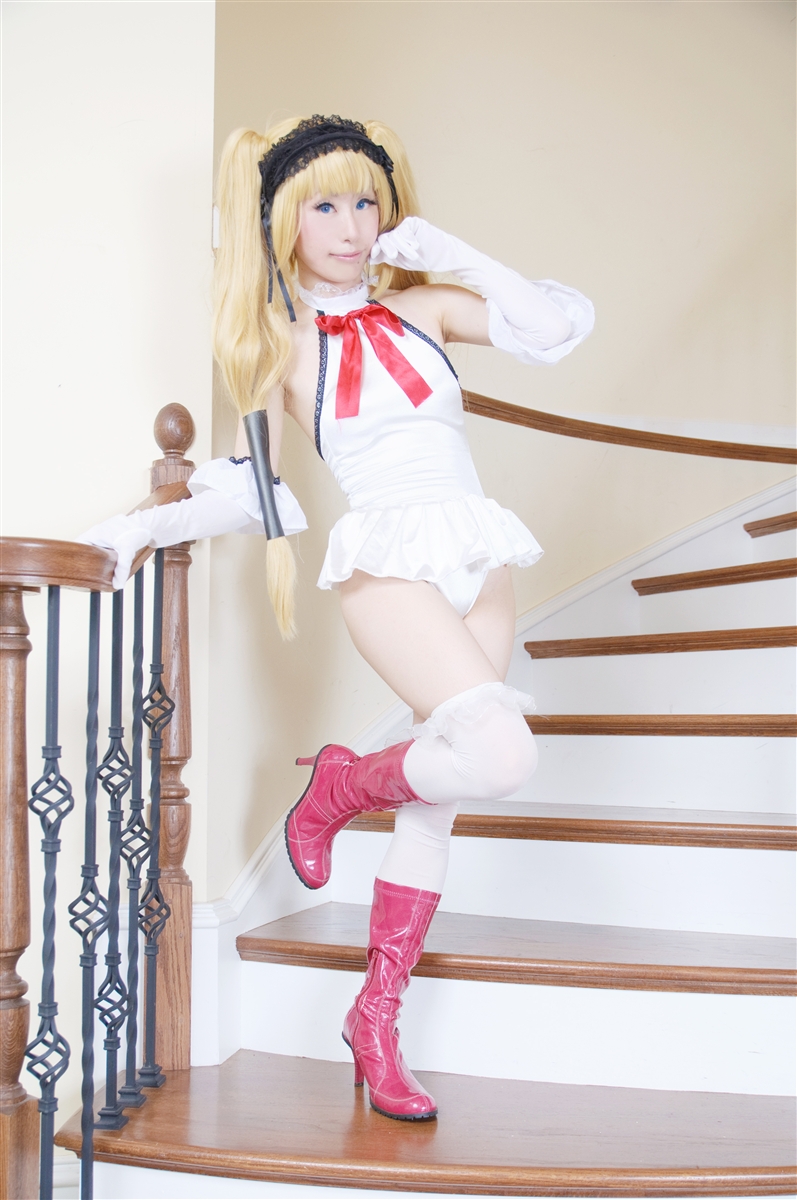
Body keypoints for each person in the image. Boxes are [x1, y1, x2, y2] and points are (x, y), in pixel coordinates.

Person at [81, 115, 593, 1122]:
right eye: (325, 205)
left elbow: (549, 328)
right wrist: (141, 528)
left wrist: (446, 248)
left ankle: (375, 1019)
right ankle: (340, 786)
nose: (352, 226)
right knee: (500, 756)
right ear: (284, 220)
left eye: (366, 201)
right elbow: (258, 494)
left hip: (478, 554)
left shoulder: (424, 308)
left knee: (437, 807)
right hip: (387, 563)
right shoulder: (276, 344)